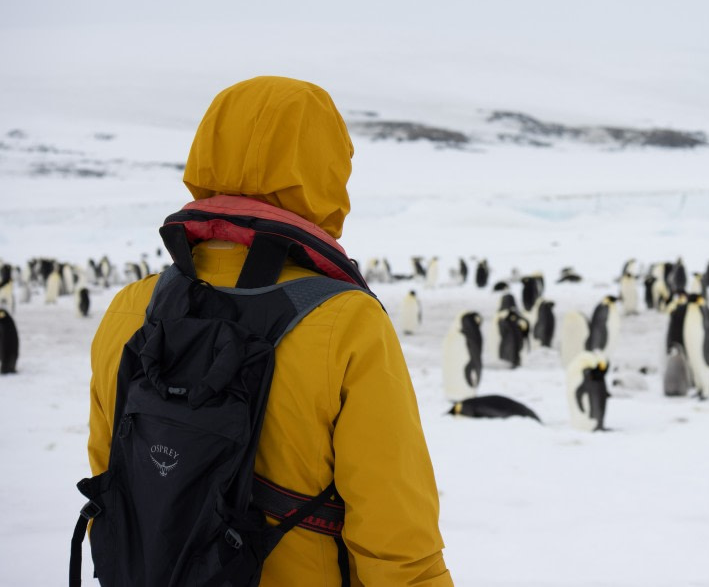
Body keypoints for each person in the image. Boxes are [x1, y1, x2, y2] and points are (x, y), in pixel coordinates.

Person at [86, 76, 453, 586]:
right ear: (326, 169)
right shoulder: (347, 322)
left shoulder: (132, 308)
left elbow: (113, 477)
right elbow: (397, 537)